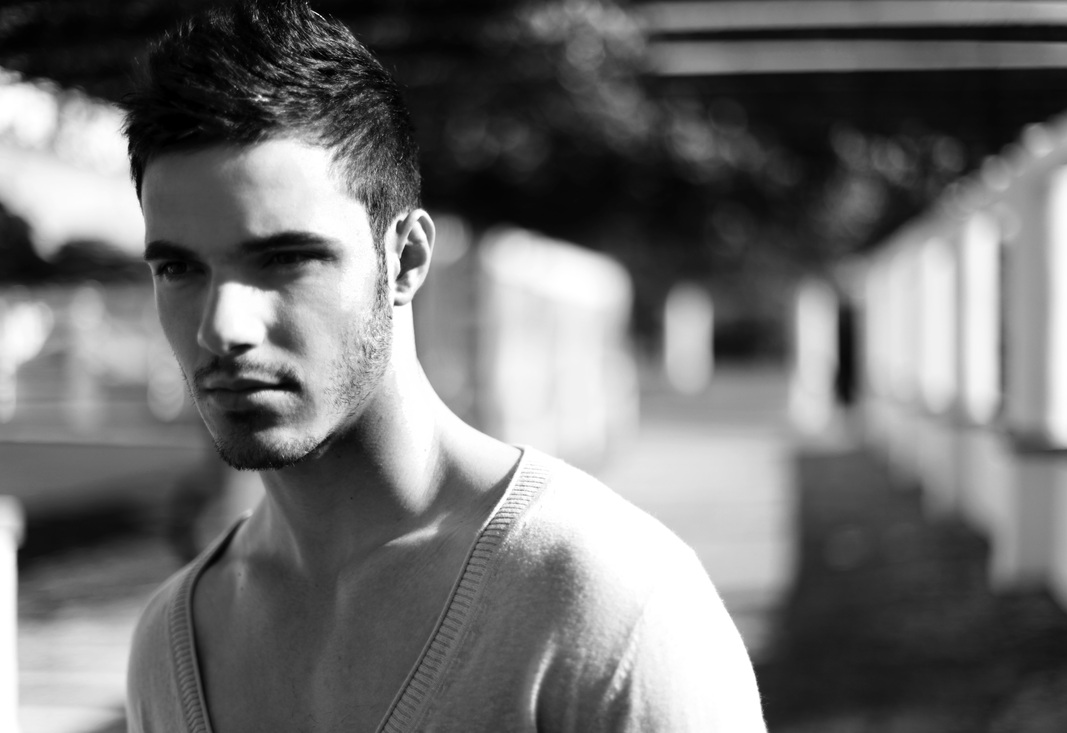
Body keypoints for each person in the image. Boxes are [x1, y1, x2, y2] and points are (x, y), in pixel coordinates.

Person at [122, 1, 767, 730]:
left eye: (285, 259)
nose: (222, 327)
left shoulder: (607, 603)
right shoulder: (169, 643)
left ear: (406, 259)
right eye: (178, 269)